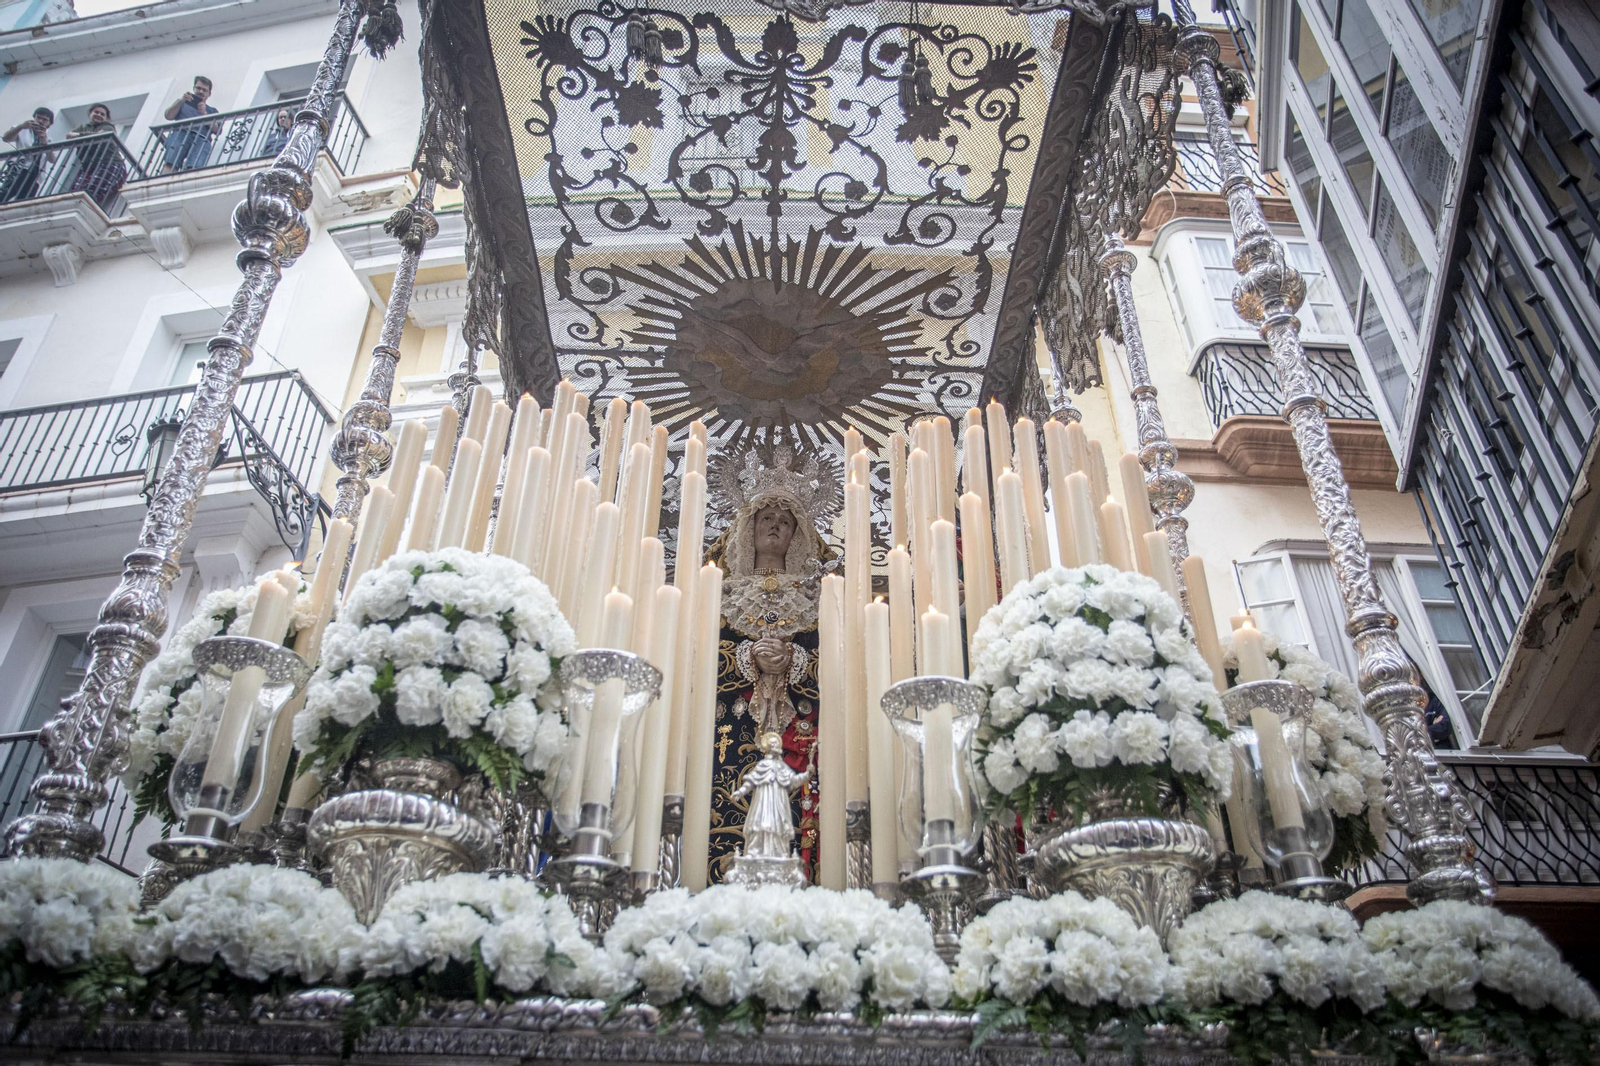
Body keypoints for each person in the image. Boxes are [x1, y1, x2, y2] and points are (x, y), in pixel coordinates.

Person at [704, 438, 838, 883]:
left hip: (801, 729)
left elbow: (841, 662)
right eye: (767, 519)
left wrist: (795, 660)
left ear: (797, 533)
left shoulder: (817, 596)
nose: (776, 527)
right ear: (750, 526)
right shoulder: (719, 594)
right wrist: (746, 657)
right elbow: (695, 659)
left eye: (785, 521)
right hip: (730, 725)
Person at [66, 103, 126, 211]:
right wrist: (90, 135)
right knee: (75, 192)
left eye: (102, 114)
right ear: (90, 113)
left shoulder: (107, 126)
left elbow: (102, 136)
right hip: (89, 167)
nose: (99, 115)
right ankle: (74, 210)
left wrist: (79, 135)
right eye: (96, 112)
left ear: (106, 118)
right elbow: (69, 136)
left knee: (92, 191)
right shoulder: (83, 126)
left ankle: (84, 211)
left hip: (110, 164)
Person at [162, 76, 219, 173]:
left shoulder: (212, 111)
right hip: (180, 133)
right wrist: (181, 101)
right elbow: (168, 116)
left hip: (201, 138)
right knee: (171, 162)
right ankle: (163, 184)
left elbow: (217, 130)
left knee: (194, 167)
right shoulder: (182, 103)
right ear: (193, 88)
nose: (201, 91)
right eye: (198, 88)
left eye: (204, 90)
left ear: (209, 94)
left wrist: (204, 113)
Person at [1, 107, 54, 203]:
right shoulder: (23, 130)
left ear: (49, 124)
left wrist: (45, 142)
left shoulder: (48, 139)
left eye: (45, 120)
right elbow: (5, 138)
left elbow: (52, 159)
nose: (41, 121)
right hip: (19, 169)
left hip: (35, 175)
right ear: (34, 118)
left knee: (23, 201)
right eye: (38, 118)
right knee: (5, 195)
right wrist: (21, 126)